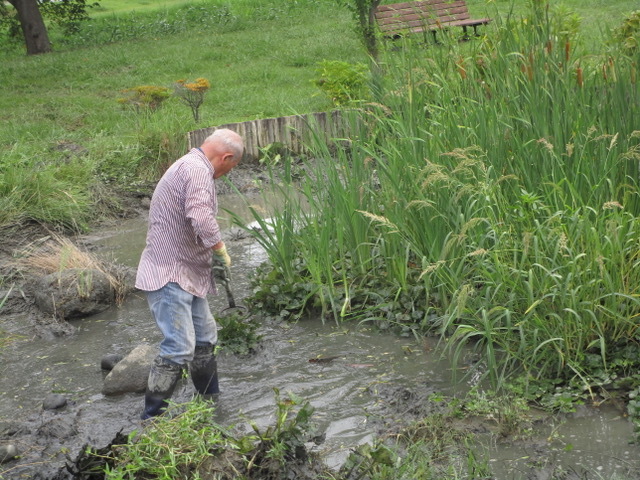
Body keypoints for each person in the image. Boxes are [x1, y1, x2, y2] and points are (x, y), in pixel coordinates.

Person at [135, 128, 244, 420]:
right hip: (169, 274)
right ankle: (152, 419)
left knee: (205, 338)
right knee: (179, 347)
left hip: (187, 273)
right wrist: (219, 248)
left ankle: (210, 405)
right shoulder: (197, 170)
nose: (225, 173)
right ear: (227, 157)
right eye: (229, 167)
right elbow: (200, 215)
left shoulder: (189, 165)